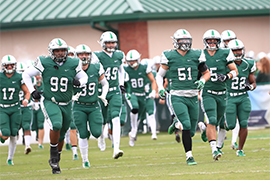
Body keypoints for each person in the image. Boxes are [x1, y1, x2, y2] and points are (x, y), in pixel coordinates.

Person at [22, 38, 88, 174]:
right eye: (57, 51)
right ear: (51, 52)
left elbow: (84, 77)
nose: (60, 53)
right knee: (56, 125)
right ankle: (53, 154)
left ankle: (56, 159)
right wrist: (32, 90)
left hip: (67, 103)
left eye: (62, 50)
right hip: (50, 100)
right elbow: (26, 74)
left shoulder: (74, 62)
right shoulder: (44, 62)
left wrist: (79, 83)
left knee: (62, 134)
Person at [156, 29, 210, 165]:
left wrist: (202, 81)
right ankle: (189, 156)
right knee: (186, 125)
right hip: (177, 96)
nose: (185, 44)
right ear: (176, 42)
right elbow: (159, 75)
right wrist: (161, 88)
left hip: (192, 96)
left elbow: (206, 73)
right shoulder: (169, 55)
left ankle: (177, 123)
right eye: (182, 41)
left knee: (190, 132)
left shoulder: (197, 54)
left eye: (187, 41)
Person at [199, 29, 238, 161]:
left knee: (219, 120)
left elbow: (235, 71)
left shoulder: (225, 53)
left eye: (214, 41)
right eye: (209, 41)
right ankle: (214, 149)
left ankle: (204, 128)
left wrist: (227, 76)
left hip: (222, 93)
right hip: (208, 92)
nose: (212, 43)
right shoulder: (200, 54)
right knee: (213, 120)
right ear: (205, 42)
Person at [73, 44, 109, 168]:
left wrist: (103, 95)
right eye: (81, 54)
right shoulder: (72, 69)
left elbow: (105, 83)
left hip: (94, 105)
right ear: (76, 56)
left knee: (97, 132)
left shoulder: (96, 67)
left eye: (86, 54)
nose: (84, 56)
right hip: (79, 106)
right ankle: (85, 160)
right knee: (82, 133)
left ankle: (97, 138)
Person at [220, 39, 257, 156]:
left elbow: (253, 82)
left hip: (243, 97)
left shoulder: (248, 64)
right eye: (234, 51)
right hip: (229, 96)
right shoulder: (225, 65)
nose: (237, 53)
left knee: (244, 123)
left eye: (239, 50)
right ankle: (222, 123)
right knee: (231, 125)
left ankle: (240, 149)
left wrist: (250, 87)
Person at [92, 31, 125, 159]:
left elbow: (121, 70)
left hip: (115, 90)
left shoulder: (119, 55)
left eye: (113, 42)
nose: (111, 45)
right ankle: (101, 137)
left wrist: (121, 84)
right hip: (101, 91)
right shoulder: (96, 56)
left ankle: (116, 148)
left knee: (116, 117)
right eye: (108, 43)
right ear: (102, 43)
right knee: (102, 119)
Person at [0, 55, 30, 165]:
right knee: (6, 133)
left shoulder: (19, 76)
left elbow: (27, 92)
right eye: (7, 65)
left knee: (13, 133)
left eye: (11, 64)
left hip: (15, 108)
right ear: (3, 66)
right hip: (2, 108)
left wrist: (26, 100)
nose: (9, 66)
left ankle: (10, 159)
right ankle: (2, 136)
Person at [124, 49, 158, 147]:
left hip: (144, 95)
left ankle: (152, 133)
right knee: (135, 108)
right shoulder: (126, 69)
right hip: (132, 93)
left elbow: (153, 81)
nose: (132, 63)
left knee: (146, 114)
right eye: (130, 61)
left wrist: (153, 91)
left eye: (134, 60)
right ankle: (134, 130)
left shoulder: (144, 68)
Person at [17, 61, 34, 154]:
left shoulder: (30, 79)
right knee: (15, 127)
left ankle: (27, 145)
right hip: (15, 106)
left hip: (27, 105)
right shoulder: (14, 79)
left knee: (27, 125)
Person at [64, 46, 77, 151]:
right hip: (64, 97)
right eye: (69, 55)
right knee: (66, 123)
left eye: (72, 55)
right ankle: (67, 141)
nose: (71, 57)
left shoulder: (77, 66)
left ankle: (72, 143)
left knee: (74, 123)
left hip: (76, 97)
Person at [31, 74, 45, 149]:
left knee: (40, 124)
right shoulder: (31, 85)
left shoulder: (44, 85)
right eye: (35, 75)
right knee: (33, 125)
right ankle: (36, 134)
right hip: (32, 105)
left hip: (41, 105)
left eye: (38, 75)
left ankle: (40, 143)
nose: (37, 77)